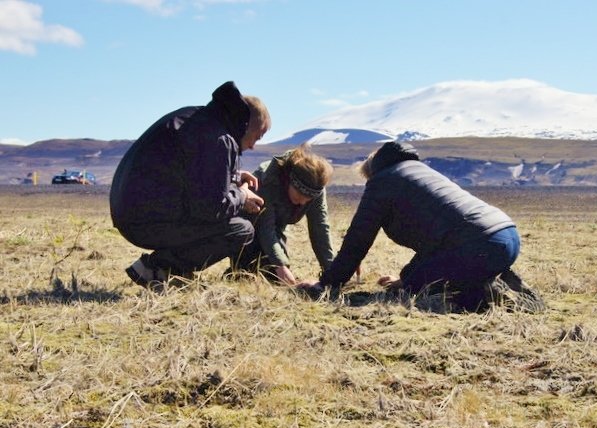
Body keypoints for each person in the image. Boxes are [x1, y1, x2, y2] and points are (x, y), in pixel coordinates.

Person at [299, 141, 543, 312]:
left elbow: (358, 239)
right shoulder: (422, 172)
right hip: (507, 235)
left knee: (418, 293)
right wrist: (408, 277)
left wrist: (328, 284)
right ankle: (493, 275)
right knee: (414, 281)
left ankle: (486, 295)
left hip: (477, 245)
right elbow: (438, 241)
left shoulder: (383, 181)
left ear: (372, 173)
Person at [110, 81, 268, 289]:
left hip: (133, 213)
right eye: (257, 137)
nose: (253, 146)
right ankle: (158, 268)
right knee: (240, 229)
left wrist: (233, 176)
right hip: (146, 221)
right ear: (246, 125)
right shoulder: (218, 138)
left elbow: (187, 174)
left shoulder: (201, 120)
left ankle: (172, 271)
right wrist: (242, 195)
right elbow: (212, 208)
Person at [228, 144, 335, 285]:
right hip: (249, 224)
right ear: (290, 182)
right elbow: (266, 228)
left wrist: (332, 270)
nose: (302, 203)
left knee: (275, 276)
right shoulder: (268, 180)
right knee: (248, 272)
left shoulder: (316, 189)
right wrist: (280, 265)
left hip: (278, 228)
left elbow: (320, 228)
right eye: (299, 196)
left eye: (307, 199)